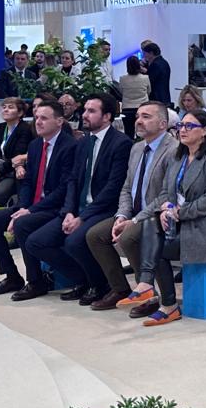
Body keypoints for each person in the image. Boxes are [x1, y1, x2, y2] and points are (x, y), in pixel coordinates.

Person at [24, 93, 131, 306]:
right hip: (79, 208)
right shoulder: (83, 142)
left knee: (74, 241)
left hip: (103, 209)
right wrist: (70, 212)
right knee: (35, 242)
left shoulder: (120, 143)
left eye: (92, 111)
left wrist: (82, 218)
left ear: (107, 116)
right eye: (85, 110)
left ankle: (101, 285)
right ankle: (83, 279)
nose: (85, 115)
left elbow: (112, 189)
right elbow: (72, 180)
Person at [131, 108, 206, 327]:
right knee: (150, 225)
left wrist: (178, 212)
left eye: (189, 126)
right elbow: (167, 192)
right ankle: (150, 287)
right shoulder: (178, 156)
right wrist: (167, 207)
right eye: (180, 126)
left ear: (205, 131)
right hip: (181, 223)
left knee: (156, 249)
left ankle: (163, 300)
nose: (182, 130)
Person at [89, 101, 180, 314]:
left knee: (129, 236)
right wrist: (122, 215)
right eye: (138, 116)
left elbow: (168, 194)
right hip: (134, 212)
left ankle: (149, 294)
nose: (139, 120)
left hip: (159, 213)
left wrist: (136, 220)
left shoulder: (174, 149)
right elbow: (127, 187)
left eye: (146, 116)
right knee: (95, 235)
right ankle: (120, 288)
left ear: (163, 123)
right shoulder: (136, 147)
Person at [0, 102, 76, 299]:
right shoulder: (35, 146)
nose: (38, 122)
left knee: (23, 223)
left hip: (55, 207)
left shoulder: (70, 146)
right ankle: (12, 276)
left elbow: (64, 189)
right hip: (31, 205)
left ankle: (36, 281)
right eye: (36, 117)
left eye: (44, 118)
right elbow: (27, 181)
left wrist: (29, 211)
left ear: (59, 121)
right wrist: (23, 206)